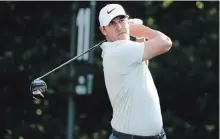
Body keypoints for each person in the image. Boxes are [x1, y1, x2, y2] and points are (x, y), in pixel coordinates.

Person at [98, 3, 172, 139]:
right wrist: (141, 30)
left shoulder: (121, 51)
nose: (119, 27)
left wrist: (138, 37)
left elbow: (141, 64)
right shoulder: (119, 51)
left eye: (121, 20)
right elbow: (165, 42)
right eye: (112, 24)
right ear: (103, 30)